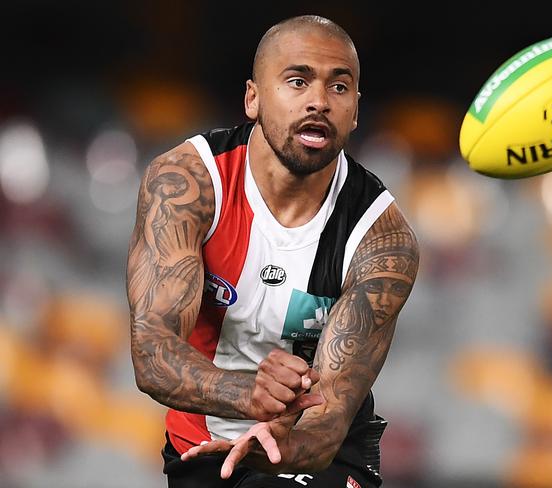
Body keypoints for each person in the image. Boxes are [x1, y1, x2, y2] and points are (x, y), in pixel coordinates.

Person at [126, 14, 419, 488]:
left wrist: (273, 448)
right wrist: (250, 395)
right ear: (253, 98)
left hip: (317, 457)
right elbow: (153, 355)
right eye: (297, 81)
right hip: (202, 449)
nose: (319, 102)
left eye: (339, 88)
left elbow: (329, 424)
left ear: (357, 110)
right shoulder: (188, 184)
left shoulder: (381, 239)